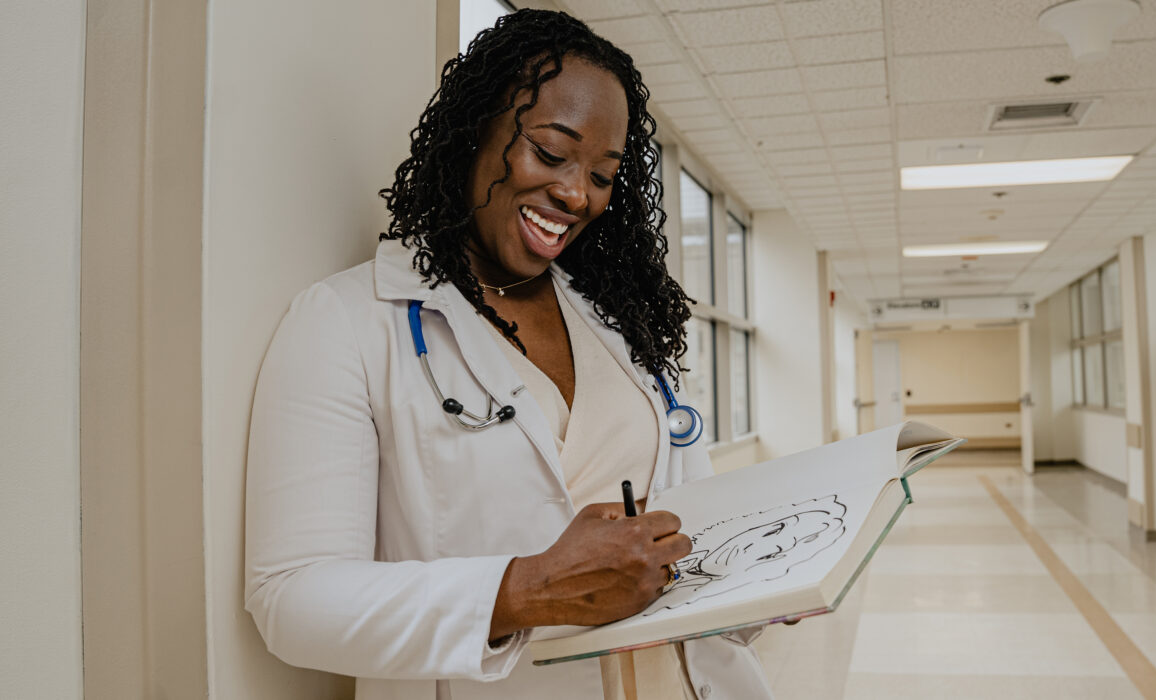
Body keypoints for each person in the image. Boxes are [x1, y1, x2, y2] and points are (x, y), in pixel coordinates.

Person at [243, 10, 772, 700]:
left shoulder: (617, 323)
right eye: (551, 154)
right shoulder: (345, 324)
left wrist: (759, 572)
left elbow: (690, 518)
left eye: (604, 175)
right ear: (472, 135)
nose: (576, 193)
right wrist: (523, 590)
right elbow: (290, 599)